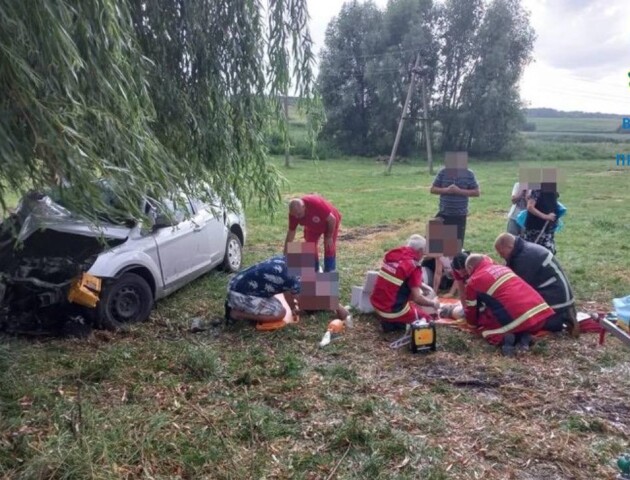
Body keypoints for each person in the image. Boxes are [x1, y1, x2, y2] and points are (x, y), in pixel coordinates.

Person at [463, 254, 557, 356]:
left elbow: (471, 309)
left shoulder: (473, 281)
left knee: (485, 330)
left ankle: (505, 339)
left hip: (519, 316)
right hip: (539, 313)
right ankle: (524, 336)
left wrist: (472, 326)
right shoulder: (503, 268)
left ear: (470, 268)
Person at [494, 233, 579, 337]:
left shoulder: (524, 258)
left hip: (555, 298)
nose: (501, 256)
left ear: (509, 247)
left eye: (501, 253)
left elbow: (517, 286)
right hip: (555, 292)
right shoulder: (522, 250)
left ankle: (561, 320)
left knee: (525, 318)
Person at [225, 254, 349, 324]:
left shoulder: (290, 260)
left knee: (281, 304)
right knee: (280, 313)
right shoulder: (294, 278)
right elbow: (306, 304)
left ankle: (242, 307)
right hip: (240, 295)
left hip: (236, 282)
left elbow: (287, 290)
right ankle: (237, 314)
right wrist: (335, 305)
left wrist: (293, 308)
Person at [369, 234, 440, 332]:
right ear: (420, 251)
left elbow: (401, 277)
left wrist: (421, 285)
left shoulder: (393, 255)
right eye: (423, 252)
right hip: (390, 310)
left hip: (376, 304)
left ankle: (393, 320)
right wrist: (433, 303)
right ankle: (395, 321)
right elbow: (417, 298)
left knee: (404, 294)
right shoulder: (414, 266)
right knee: (427, 320)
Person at [430, 151, 480, 248]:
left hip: (459, 216)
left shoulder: (469, 174)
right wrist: (446, 190)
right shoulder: (443, 173)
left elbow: (476, 192)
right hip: (443, 214)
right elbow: (433, 189)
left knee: (453, 248)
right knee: (435, 246)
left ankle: (452, 262)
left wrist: (459, 191)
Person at [284, 194, 341, 272]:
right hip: (312, 225)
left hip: (330, 222)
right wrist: (285, 253)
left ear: (304, 207)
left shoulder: (316, 204)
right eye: (295, 215)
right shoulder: (294, 214)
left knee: (329, 246)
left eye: (299, 214)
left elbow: (332, 219)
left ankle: (330, 270)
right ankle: (314, 269)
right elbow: (291, 232)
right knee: (310, 245)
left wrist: (329, 236)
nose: (297, 217)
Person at [521, 185, 559, 254]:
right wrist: (546, 216)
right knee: (535, 253)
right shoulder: (537, 189)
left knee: (549, 252)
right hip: (536, 228)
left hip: (547, 228)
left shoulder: (553, 189)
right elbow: (530, 207)